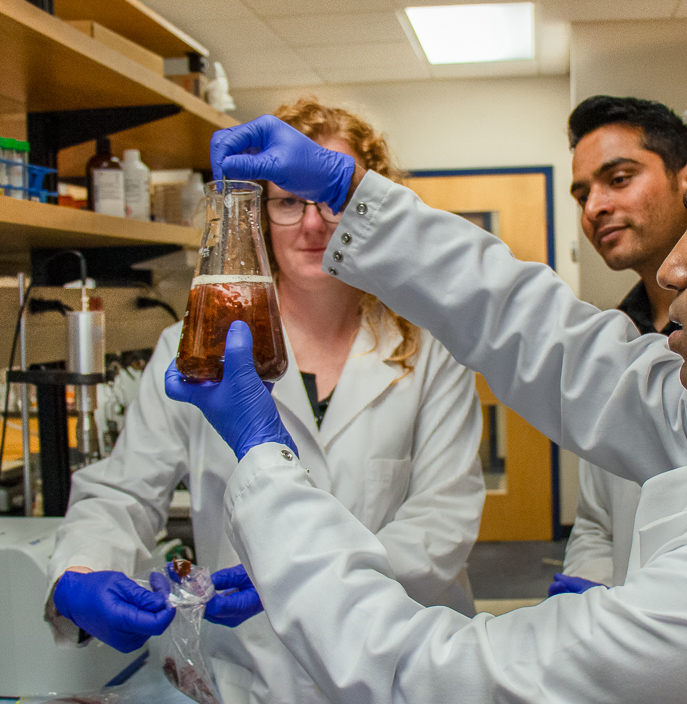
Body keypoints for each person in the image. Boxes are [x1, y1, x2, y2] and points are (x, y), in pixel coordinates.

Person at [169, 57, 687, 702]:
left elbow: (426, 675)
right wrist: (357, 199)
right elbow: (569, 355)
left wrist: (263, 460)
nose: (672, 265)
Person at [46, 98, 486, 704]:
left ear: (366, 204)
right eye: (287, 201)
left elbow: (443, 522)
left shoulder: (429, 348)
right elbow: (123, 491)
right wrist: (83, 572)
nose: (312, 223)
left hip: (401, 669)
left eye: (331, 197)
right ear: (255, 212)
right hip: (249, 675)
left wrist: (303, 574)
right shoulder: (191, 347)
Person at [553, 95, 687, 594]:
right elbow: (596, 519)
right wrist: (582, 594)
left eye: (618, 179)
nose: (595, 207)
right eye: (582, 195)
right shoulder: (618, 332)